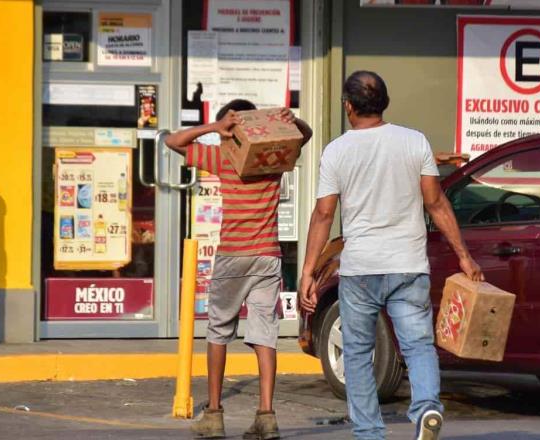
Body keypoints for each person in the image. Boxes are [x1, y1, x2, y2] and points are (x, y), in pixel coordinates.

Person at [299, 71, 483, 440]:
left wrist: (308, 270)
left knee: (357, 352)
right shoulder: (415, 142)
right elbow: (435, 202)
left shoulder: (337, 151)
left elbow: (323, 214)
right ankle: (428, 406)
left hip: (360, 270)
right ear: (384, 103)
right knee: (417, 345)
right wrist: (464, 255)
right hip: (409, 265)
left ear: (349, 106)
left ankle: (369, 432)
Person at [165, 99, 312, 439]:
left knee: (218, 332)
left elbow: (173, 141)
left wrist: (213, 127)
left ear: (232, 132)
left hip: (233, 255)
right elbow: (304, 136)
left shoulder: (222, 157)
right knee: (265, 336)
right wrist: (291, 122)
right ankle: (266, 415)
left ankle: (214, 414)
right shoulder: (274, 159)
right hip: (267, 256)